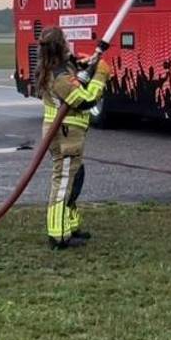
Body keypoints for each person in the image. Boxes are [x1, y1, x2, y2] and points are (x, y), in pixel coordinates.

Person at [37, 27, 110, 250]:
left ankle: (71, 226)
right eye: (66, 41)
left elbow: (74, 69)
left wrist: (91, 62)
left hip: (68, 136)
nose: (69, 43)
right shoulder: (59, 78)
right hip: (65, 137)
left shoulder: (59, 68)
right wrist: (101, 74)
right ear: (60, 46)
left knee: (75, 179)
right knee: (63, 184)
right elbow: (86, 100)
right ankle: (58, 236)